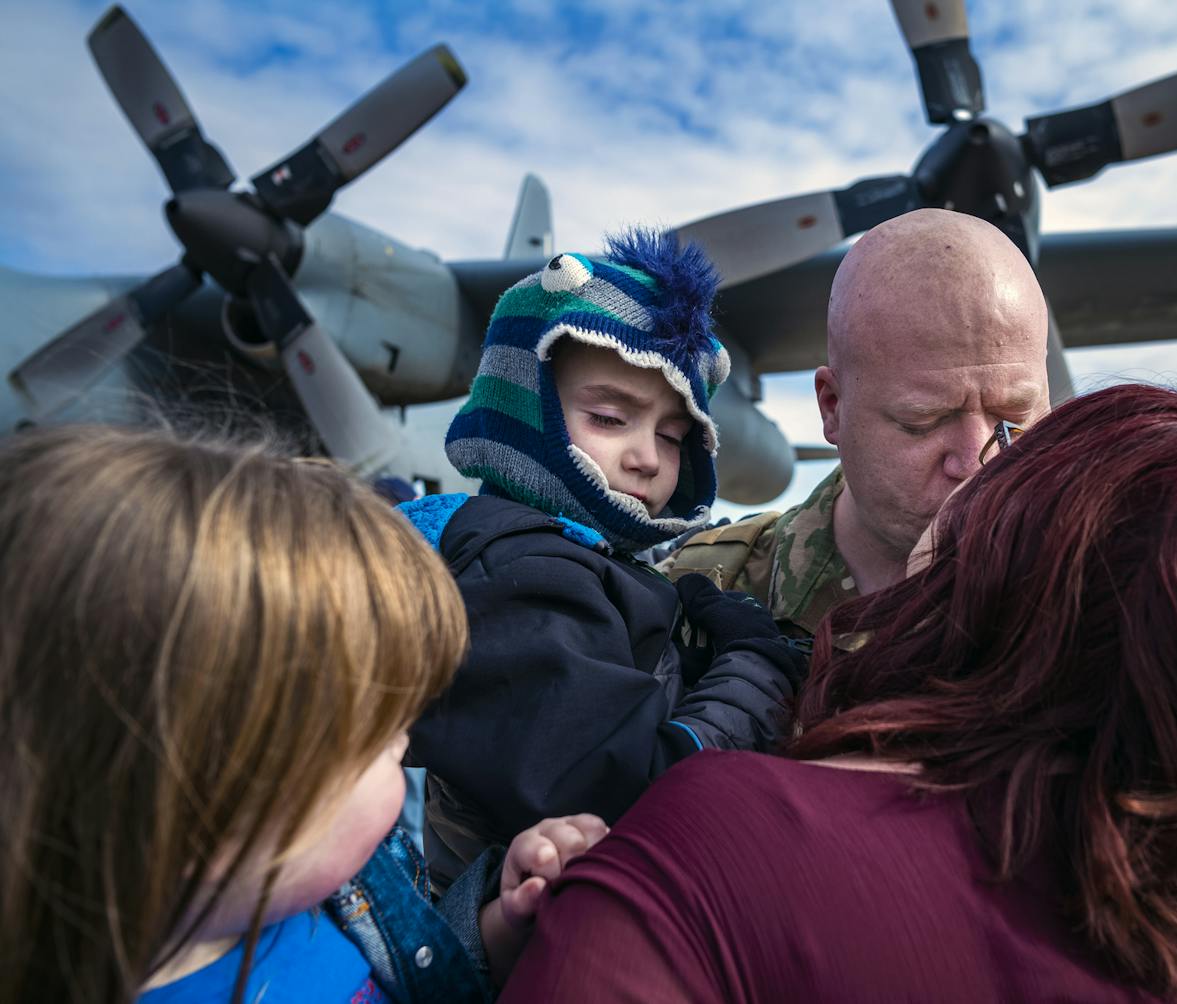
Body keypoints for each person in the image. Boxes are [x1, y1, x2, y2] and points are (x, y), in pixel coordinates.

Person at [501, 384, 1177, 1003]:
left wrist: (528, 932)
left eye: (1017, 432)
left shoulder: (720, 846)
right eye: (923, 416)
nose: (975, 463)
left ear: (1044, 581)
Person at [0, 425, 606, 1004]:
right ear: (202, 794)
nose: (405, 747)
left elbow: (416, 974)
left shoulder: (326, 883)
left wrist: (500, 928)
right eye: (379, 730)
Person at [403, 228, 806, 891]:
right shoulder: (525, 577)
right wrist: (759, 667)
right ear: (525, 406)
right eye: (611, 419)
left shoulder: (572, 560)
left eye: (674, 436)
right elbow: (637, 800)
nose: (649, 457)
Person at [662, 207, 1052, 633]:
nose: (977, 465)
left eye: (1014, 413)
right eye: (923, 421)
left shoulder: (1110, 584)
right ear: (832, 407)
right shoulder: (692, 597)